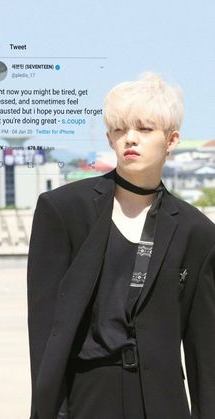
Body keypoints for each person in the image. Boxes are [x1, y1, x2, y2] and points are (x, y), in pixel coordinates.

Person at [27, 73, 215, 419]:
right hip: (87, 397)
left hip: (163, 403)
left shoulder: (197, 232)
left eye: (144, 129)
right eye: (119, 129)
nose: (130, 139)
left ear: (171, 139)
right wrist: (52, 410)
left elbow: (206, 352)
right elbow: (45, 329)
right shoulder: (64, 211)